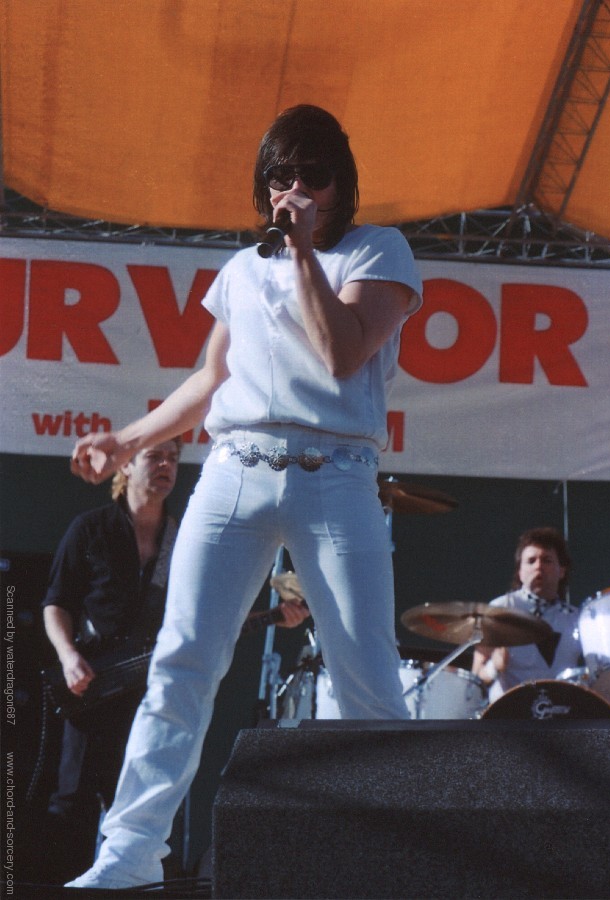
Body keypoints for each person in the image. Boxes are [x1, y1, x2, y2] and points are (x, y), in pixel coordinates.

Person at [65, 104, 423, 889]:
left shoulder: (377, 251)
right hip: (234, 467)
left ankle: (394, 861)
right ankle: (127, 858)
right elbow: (209, 379)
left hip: (335, 474)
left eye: (311, 175)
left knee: (367, 675)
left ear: (340, 185)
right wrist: (126, 440)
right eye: (279, 176)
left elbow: (342, 352)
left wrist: (299, 255)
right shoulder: (240, 270)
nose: (293, 188)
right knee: (182, 662)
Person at [42, 438, 305, 883]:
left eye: (174, 458)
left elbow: (202, 622)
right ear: (126, 466)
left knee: (146, 803)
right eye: (155, 456)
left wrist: (276, 617)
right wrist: (68, 656)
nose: (167, 465)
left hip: (149, 692)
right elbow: (56, 603)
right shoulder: (90, 529)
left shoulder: (183, 538)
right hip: (93, 686)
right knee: (72, 800)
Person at [472, 527, 581, 703]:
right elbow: (475, 678)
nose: (538, 566)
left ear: (562, 570)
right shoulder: (499, 609)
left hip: (561, 715)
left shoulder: (577, 619)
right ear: (520, 572)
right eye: (531, 561)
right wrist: (494, 667)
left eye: (547, 560)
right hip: (508, 715)